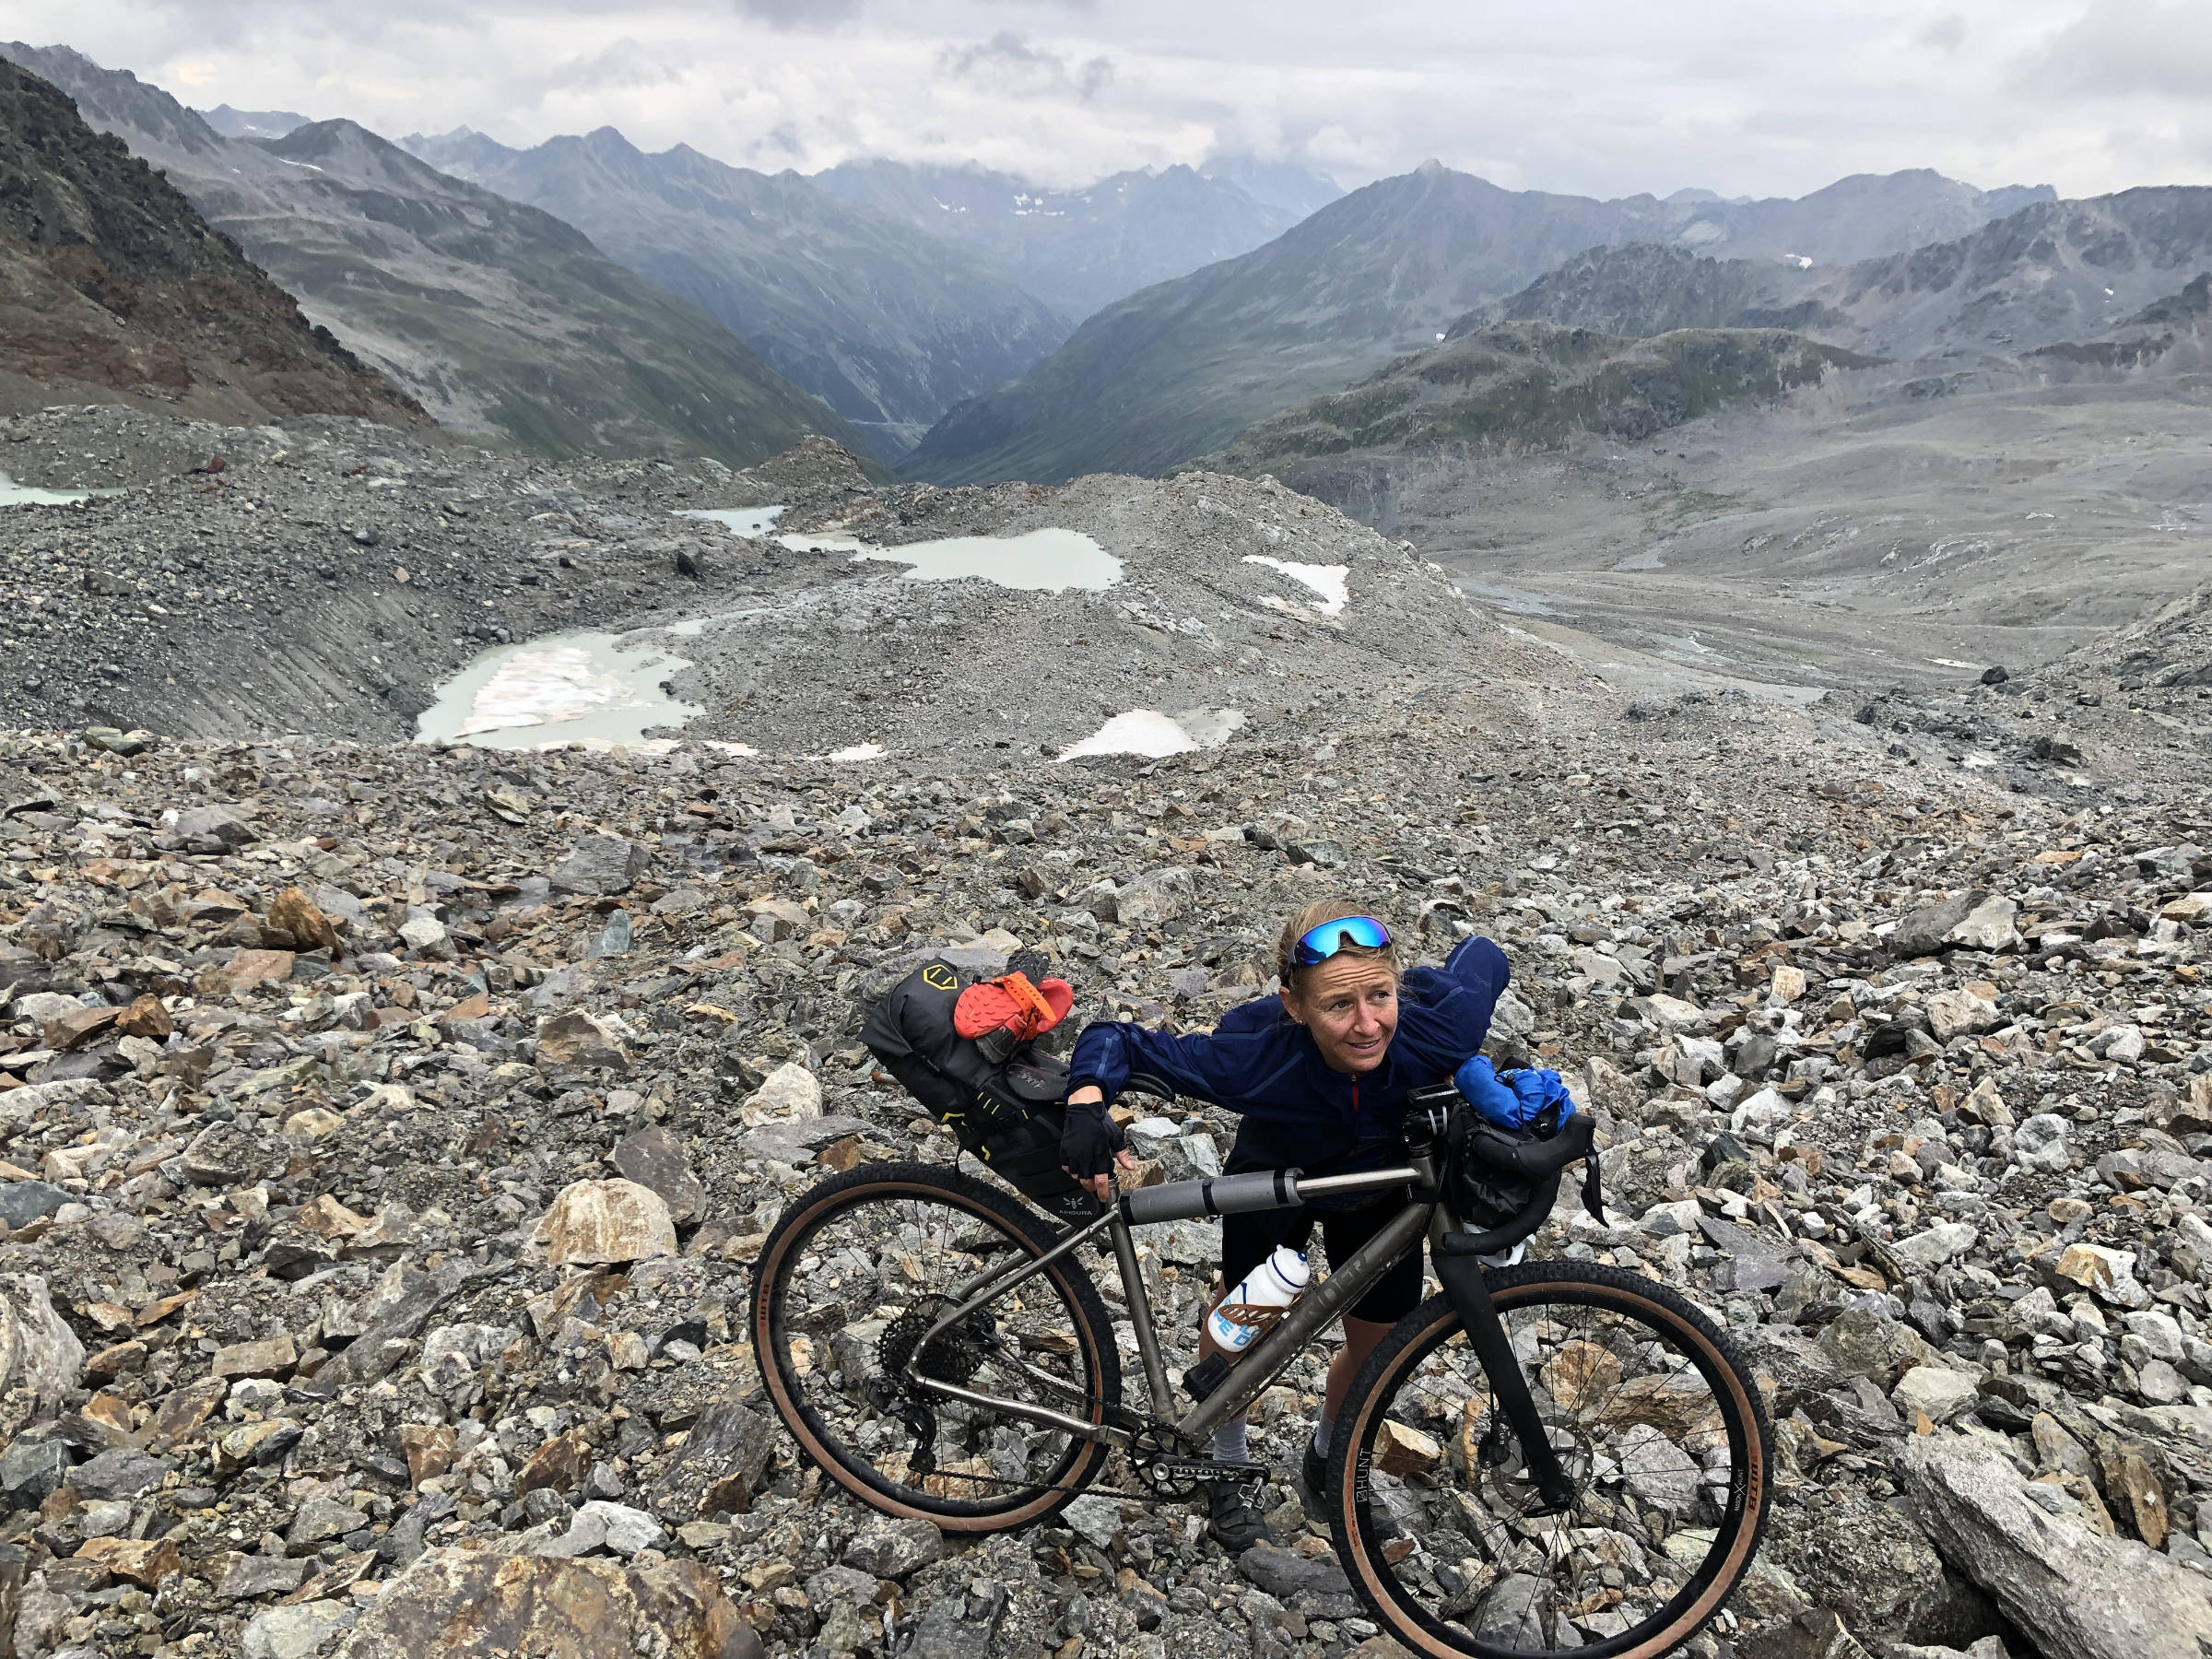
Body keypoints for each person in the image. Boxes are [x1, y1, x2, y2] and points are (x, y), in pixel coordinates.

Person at [1059, 899, 1510, 1550]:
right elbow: (1117, 1038)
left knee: (1378, 1348)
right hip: (1276, 1184)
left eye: (1380, 996)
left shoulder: (1437, 1027)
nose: (1365, 1026)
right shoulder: (1255, 1058)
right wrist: (1085, 1097)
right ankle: (1224, 1459)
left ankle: (1331, 1462)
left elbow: (1485, 957)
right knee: (1245, 1329)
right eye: (1336, 1006)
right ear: (1294, 1006)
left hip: (1381, 1189)